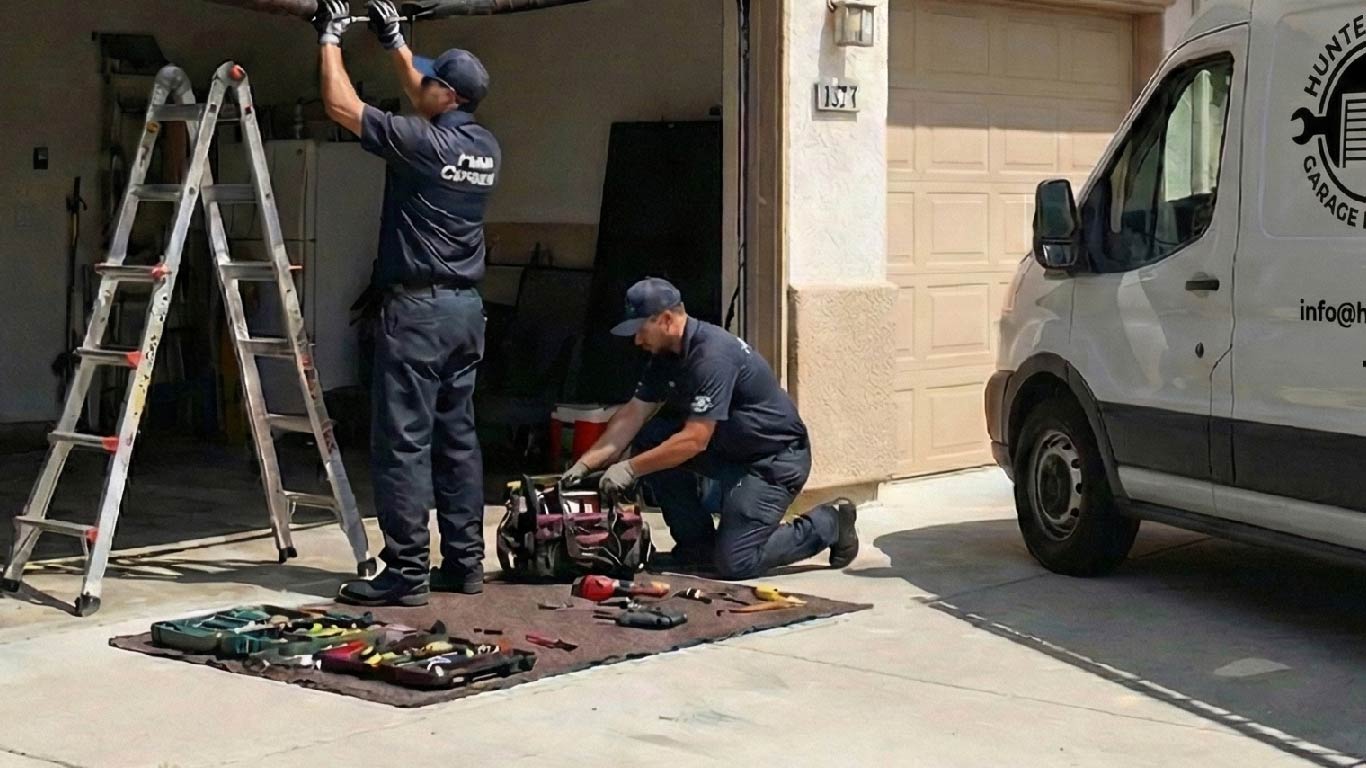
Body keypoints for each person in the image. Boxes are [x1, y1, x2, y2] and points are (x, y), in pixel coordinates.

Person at [312, 0, 500, 606]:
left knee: (403, 443)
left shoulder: (423, 145)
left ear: (446, 95)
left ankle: (406, 571)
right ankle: (465, 564)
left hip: (417, 313)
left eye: (430, 81)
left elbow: (342, 107)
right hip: (466, 314)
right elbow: (423, 88)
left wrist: (330, 38)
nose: (419, 85)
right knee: (457, 441)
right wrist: (395, 41)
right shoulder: (484, 147)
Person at [563, 278, 859, 580]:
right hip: (729, 450)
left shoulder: (712, 355)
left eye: (641, 330)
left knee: (736, 561)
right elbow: (632, 415)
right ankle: (696, 547)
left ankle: (829, 522)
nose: (637, 340)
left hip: (772, 462)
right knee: (651, 439)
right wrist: (585, 465)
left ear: (666, 319)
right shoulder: (666, 355)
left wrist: (628, 469)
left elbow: (693, 441)